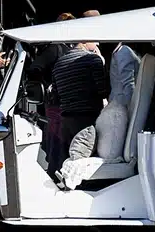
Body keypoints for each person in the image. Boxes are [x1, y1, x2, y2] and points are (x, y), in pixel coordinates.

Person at [48, 41, 108, 176]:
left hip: (66, 120)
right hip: (88, 121)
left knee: (67, 165)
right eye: (95, 39)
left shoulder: (59, 64)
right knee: (82, 167)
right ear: (85, 40)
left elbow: (56, 96)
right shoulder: (93, 60)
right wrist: (102, 63)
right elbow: (103, 91)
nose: (98, 43)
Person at [28, 13, 76, 161]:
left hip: (67, 100)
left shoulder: (70, 46)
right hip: (56, 101)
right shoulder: (55, 48)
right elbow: (35, 68)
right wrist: (48, 84)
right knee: (57, 137)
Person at [95, 42, 140, 159]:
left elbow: (128, 84)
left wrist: (131, 109)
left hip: (122, 103)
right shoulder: (119, 52)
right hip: (119, 103)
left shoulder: (123, 52)